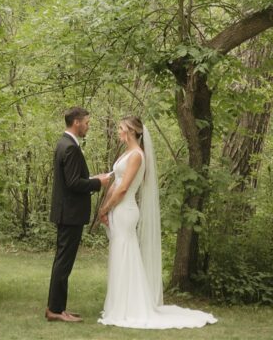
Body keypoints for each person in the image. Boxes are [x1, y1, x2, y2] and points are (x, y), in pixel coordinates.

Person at [98, 115, 217, 330]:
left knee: (125, 255)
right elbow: (115, 182)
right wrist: (105, 206)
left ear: (131, 131)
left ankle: (130, 307)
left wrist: (105, 208)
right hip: (118, 208)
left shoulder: (136, 156)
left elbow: (124, 188)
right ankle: (121, 304)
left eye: (120, 128)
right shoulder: (127, 153)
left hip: (125, 209)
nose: (117, 132)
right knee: (121, 255)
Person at [46, 106, 112, 323]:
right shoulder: (70, 147)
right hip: (70, 213)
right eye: (87, 123)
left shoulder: (64, 143)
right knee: (64, 262)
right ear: (76, 122)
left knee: (62, 261)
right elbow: (74, 183)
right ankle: (55, 310)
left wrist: (93, 178)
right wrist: (98, 183)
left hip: (66, 212)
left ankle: (58, 307)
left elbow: (70, 179)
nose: (88, 126)